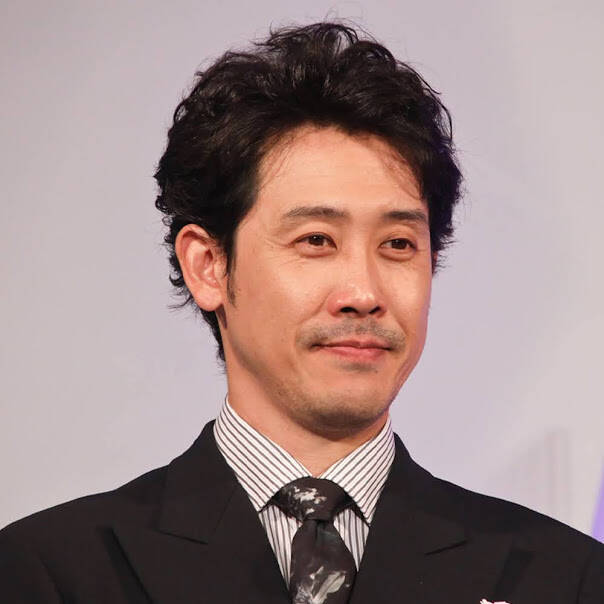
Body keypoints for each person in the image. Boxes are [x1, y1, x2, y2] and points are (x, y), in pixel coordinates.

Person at [0, 21, 602, 604]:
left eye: (398, 244)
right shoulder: (52, 573)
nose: (363, 292)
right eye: (316, 240)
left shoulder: (562, 579)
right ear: (209, 265)